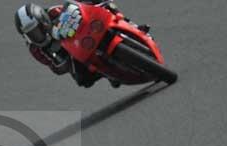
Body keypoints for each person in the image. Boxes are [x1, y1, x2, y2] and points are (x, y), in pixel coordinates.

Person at [15, 2, 146, 88]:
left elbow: (79, 9)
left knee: (106, 5)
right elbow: (55, 67)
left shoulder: (54, 11)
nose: (35, 36)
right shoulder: (35, 48)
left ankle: (131, 25)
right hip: (72, 54)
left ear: (42, 19)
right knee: (83, 79)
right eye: (31, 34)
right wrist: (61, 62)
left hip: (82, 33)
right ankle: (108, 73)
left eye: (35, 30)